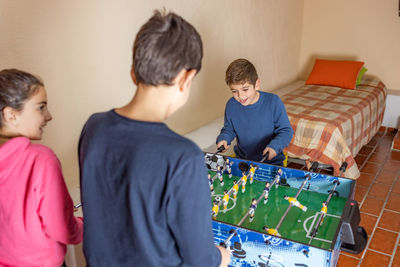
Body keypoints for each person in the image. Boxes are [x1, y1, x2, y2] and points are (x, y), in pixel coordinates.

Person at [78, 10, 230, 267]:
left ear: (133, 73)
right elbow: (200, 261)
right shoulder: (183, 156)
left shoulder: (93, 127)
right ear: (186, 78)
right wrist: (221, 257)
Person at [0, 69, 83, 267]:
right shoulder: (41, 158)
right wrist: (82, 224)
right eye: (41, 107)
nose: (49, 116)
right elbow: (62, 228)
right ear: (11, 114)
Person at [216, 58, 294, 165]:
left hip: (271, 162)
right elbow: (229, 129)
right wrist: (224, 138)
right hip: (243, 161)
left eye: (245, 89)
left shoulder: (273, 102)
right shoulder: (231, 104)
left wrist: (274, 147)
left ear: (256, 84)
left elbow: (286, 131)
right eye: (234, 91)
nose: (240, 96)